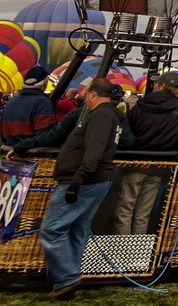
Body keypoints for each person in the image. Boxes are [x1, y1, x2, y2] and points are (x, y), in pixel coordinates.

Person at [40, 78, 124, 300]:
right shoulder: (111, 115)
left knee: (52, 229)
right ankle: (67, 282)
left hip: (84, 181)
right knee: (78, 229)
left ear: (93, 94)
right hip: (94, 180)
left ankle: (67, 278)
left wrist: (78, 180)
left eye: (87, 95)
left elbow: (94, 151)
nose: (85, 99)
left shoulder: (101, 116)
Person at [115, 69, 178, 234]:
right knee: (143, 213)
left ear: (160, 85)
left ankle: (120, 253)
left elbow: (129, 131)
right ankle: (137, 255)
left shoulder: (141, 105)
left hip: (136, 162)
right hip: (160, 164)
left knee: (125, 209)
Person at [2, 65, 57, 144]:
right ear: (45, 83)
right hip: (31, 153)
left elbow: (3, 134)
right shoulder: (43, 102)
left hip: (8, 152)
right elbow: (44, 136)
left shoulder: (10, 103)